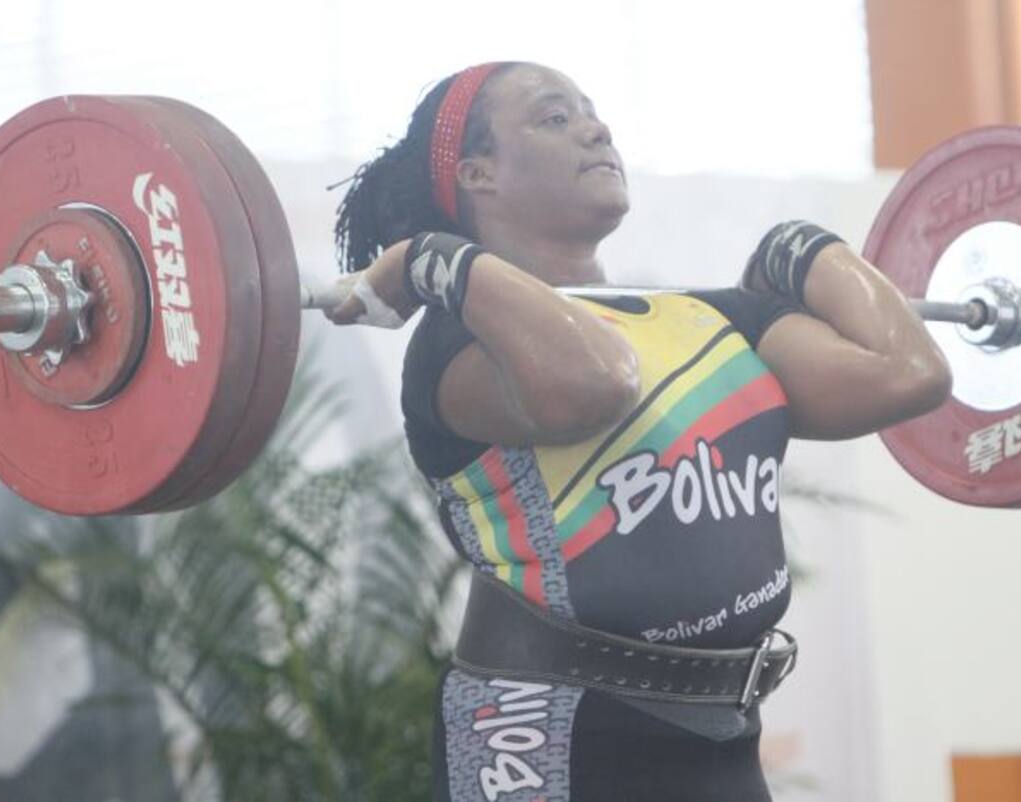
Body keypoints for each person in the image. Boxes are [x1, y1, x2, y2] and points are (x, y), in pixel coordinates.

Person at [324, 61, 950, 802]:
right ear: (479, 173)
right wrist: (439, 260)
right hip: (545, 729)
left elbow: (910, 373)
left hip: (720, 733)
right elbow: (592, 384)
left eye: (591, 113)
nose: (597, 128)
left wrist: (803, 246)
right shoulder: (456, 342)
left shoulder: (715, 321)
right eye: (555, 118)